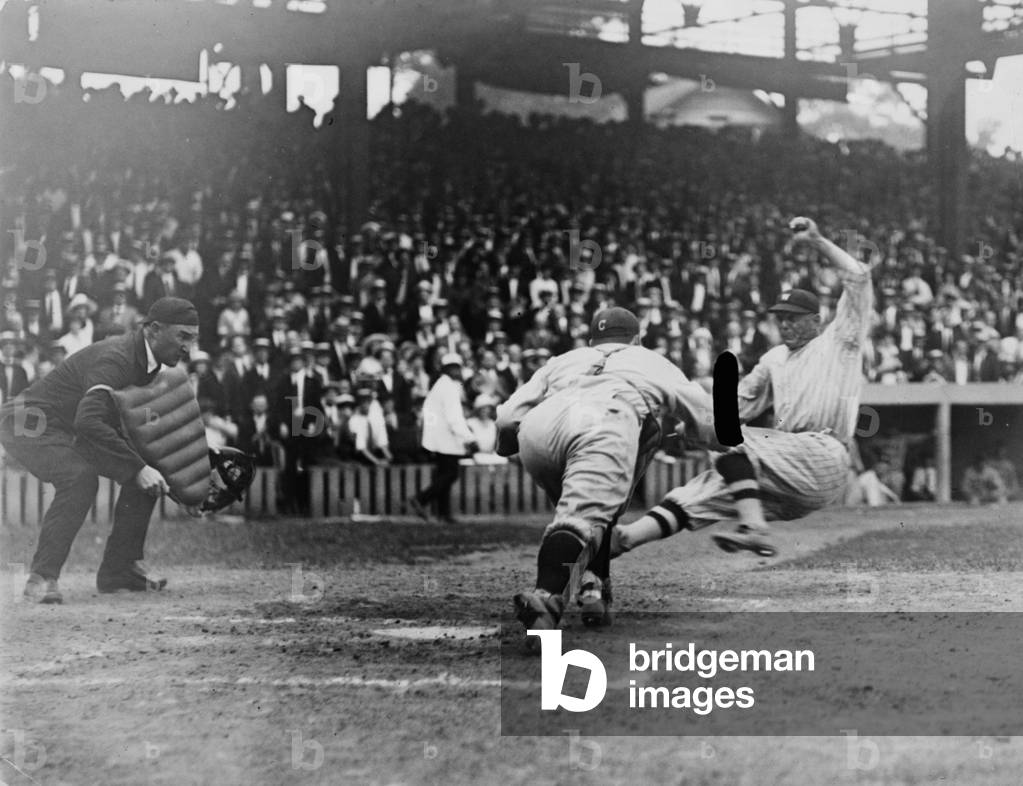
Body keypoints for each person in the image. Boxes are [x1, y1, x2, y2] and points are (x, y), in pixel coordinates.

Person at [613, 217, 873, 559]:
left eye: (794, 317)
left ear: (816, 320)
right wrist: (678, 428)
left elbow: (859, 276)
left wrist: (817, 241)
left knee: (725, 433)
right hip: (786, 469)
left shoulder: (840, 341)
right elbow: (729, 409)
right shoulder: (774, 359)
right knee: (701, 491)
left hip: (826, 455)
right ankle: (624, 539)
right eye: (781, 317)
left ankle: (753, 526)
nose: (785, 324)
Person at [495, 306, 718, 644]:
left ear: (591, 340)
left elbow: (508, 416)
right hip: (603, 420)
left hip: (539, 428)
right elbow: (707, 418)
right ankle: (547, 599)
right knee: (580, 520)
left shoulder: (564, 359)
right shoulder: (651, 360)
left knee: (591, 513)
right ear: (637, 339)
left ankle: (592, 590)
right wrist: (700, 434)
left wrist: (508, 446)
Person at [0, 297, 202, 603]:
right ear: (155, 330)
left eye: (193, 339)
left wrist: (179, 483)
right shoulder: (118, 358)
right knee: (80, 478)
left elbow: (123, 429)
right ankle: (41, 579)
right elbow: (89, 421)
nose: (189, 347)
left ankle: (119, 571)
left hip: (66, 426)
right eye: (183, 337)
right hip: (28, 422)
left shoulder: (147, 360)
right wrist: (137, 468)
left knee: (144, 471)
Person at [407, 353, 477, 524]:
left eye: (456, 367)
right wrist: (469, 437)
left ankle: (443, 514)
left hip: (440, 437)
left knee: (444, 474)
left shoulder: (442, 385)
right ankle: (421, 499)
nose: (455, 371)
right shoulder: (448, 387)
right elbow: (454, 417)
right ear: (445, 370)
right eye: (451, 368)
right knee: (450, 474)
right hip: (446, 438)